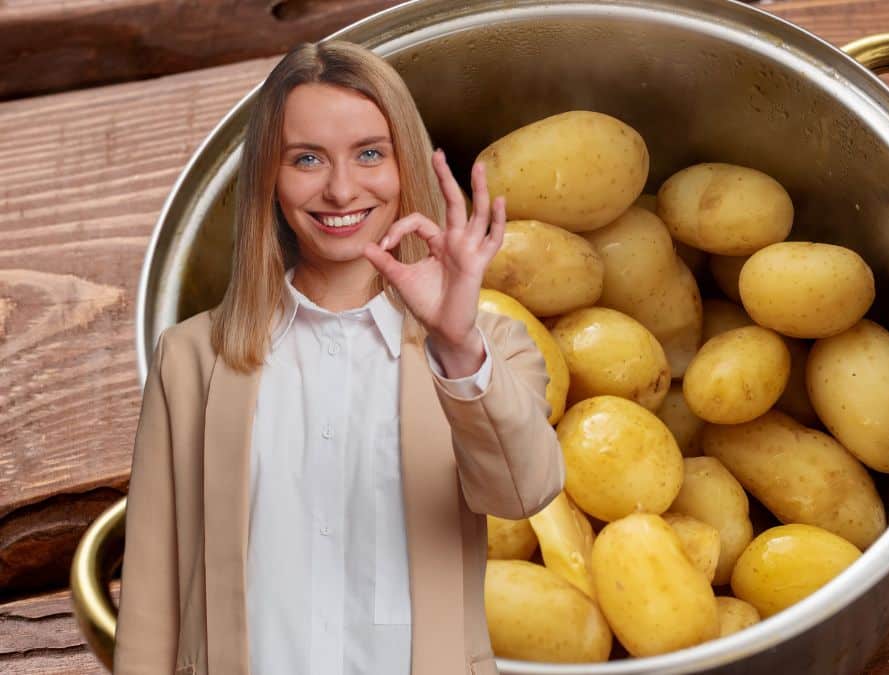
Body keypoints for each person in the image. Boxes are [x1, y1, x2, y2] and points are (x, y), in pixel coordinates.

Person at [113, 40, 565, 675]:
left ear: (405, 165)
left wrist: (455, 341)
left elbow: (525, 490)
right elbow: (152, 595)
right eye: (306, 159)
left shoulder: (489, 351)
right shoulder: (190, 359)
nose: (341, 188)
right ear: (268, 176)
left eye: (370, 154)